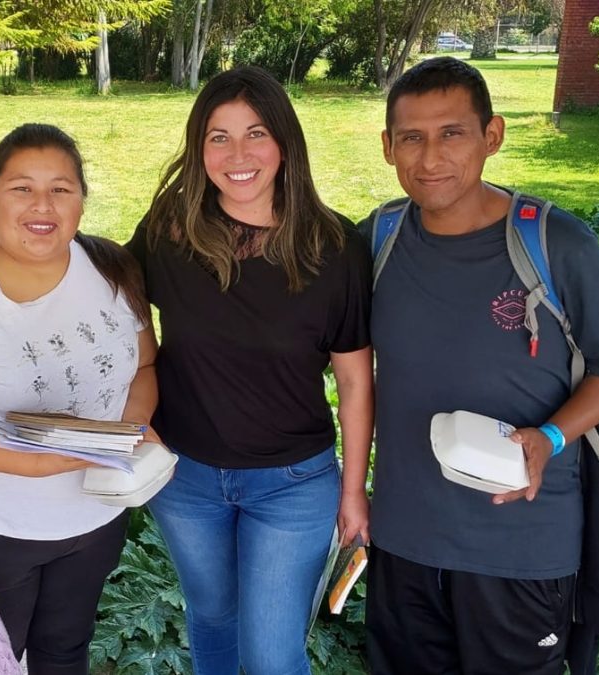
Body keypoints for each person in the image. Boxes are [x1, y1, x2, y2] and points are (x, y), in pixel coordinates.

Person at [360, 56, 599, 675]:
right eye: (411, 137)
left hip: (520, 545)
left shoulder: (555, 244)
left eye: (451, 133)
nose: (430, 156)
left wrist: (550, 437)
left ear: (492, 136)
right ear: (388, 147)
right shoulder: (376, 242)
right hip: (404, 539)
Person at [126, 66, 374, 675]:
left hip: (292, 483)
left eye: (255, 133)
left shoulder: (333, 247)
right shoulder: (169, 232)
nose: (238, 154)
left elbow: (354, 381)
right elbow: (117, 313)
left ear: (284, 143)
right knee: (211, 619)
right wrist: (134, 412)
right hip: (185, 477)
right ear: (198, 147)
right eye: (219, 136)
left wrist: (353, 491)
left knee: (270, 655)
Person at [0, 123, 158, 675]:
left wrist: (125, 434)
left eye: (61, 189)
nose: (43, 205)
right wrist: (44, 459)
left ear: (81, 200)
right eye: (22, 188)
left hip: (95, 514)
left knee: (66, 652)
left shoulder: (110, 269)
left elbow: (145, 365)